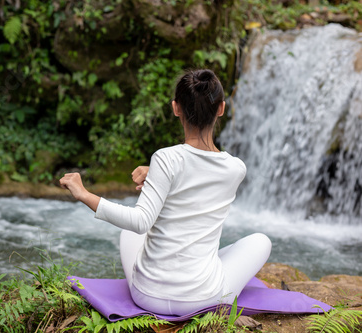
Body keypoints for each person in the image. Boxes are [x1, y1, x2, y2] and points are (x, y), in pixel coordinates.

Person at [59, 69, 272, 316]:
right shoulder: (236, 169)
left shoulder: (165, 159)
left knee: (130, 235)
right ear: (221, 108)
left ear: (175, 108)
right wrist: (157, 173)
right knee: (261, 241)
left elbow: (139, 222)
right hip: (203, 299)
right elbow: (200, 173)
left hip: (147, 296)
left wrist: (84, 193)